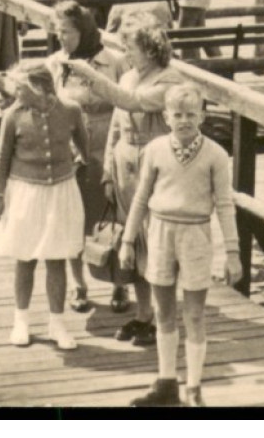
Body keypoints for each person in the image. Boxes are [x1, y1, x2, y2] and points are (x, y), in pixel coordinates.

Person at [119, 82, 242, 408]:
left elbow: (225, 204)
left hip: (196, 235)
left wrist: (233, 252)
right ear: (166, 116)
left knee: (195, 315)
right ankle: (166, 381)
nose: (184, 120)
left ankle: (194, 387)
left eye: (191, 114)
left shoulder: (216, 154)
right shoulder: (156, 149)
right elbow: (141, 197)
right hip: (160, 232)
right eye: (178, 114)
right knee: (164, 313)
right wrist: (128, 239)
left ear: (202, 115)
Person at [60, 20, 181, 347]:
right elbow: (116, 124)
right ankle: (142, 315)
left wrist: (89, 75)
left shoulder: (169, 80)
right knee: (132, 239)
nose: (126, 54)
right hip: (125, 163)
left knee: (154, 242)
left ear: (151, 49)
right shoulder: (128, 75)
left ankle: (160, 316)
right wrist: (109, 171)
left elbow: (131, 102)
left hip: (154, 163)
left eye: (132, 48)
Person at [0, 61, 89, 350]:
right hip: (25, 193)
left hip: (61, 192)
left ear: (40, 88)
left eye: (20, 87)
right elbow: (1, 158)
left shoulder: (70, 110)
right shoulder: (12, 116)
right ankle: (21, 321)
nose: (14, 91)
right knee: (25, 258)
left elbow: (83, 142)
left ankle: (57, 323)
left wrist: (82, 160)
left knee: (57, 258)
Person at [45, 1, 121, 315]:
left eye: (67, 32)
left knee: (115, 213)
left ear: (84, 30)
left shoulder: (113, 61)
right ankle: (79, 284)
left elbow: (126, 100)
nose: (61, 38)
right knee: (73, 215)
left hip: (107, 140)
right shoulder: (55, 63)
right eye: (57, 31)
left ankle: (120, 283)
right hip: (72, 148)